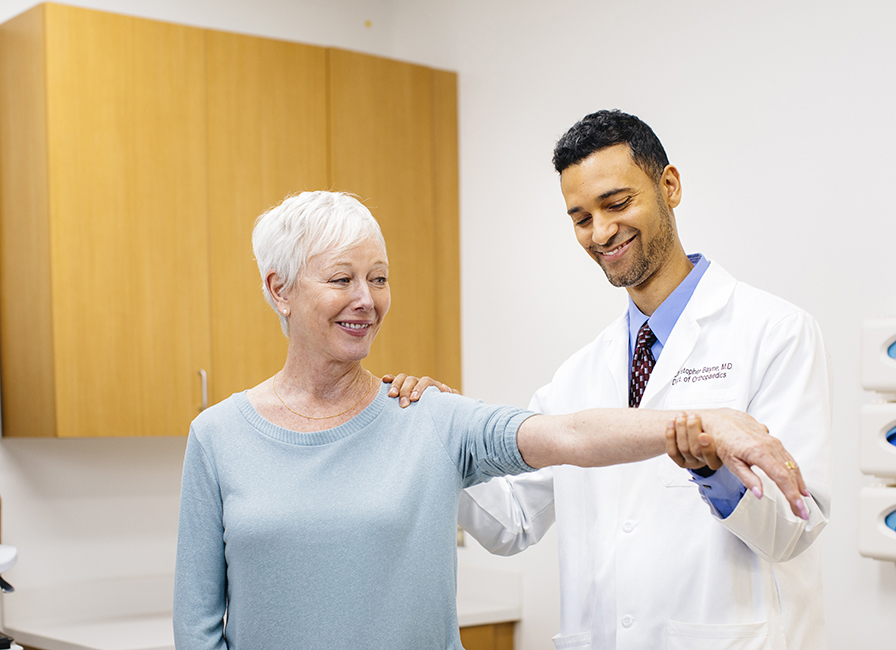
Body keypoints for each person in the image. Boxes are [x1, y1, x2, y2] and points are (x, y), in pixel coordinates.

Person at [172, 190, 809, 650]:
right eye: (341, 279)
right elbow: (197, 625)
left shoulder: (426, 415)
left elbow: (568, 434)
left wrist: (713, 421)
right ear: (277, 289)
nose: (366, 299)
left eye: (380, 278)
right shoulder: (218, 437)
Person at [452, 110, 832, 650]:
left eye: (617, 203)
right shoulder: (578, 376)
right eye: (581, 218)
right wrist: (439, 435)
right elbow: (512, 520)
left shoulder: (776, 333)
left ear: (669, 186)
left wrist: (715, 472)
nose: (601, 232)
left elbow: (796, 526)